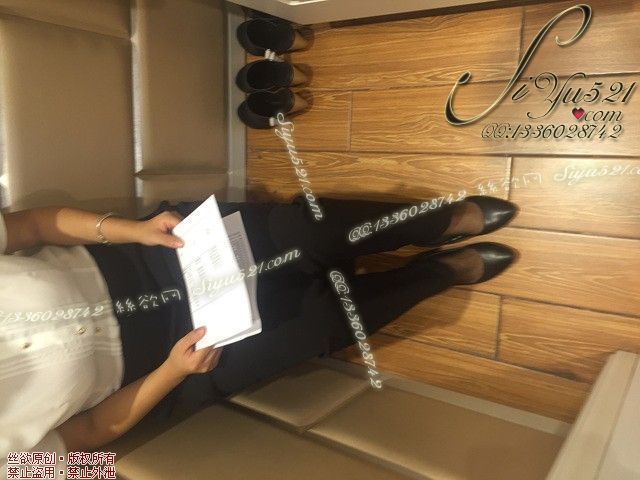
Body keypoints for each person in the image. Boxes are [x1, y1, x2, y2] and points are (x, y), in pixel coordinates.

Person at [0, 194, 517, 466]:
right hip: (164, 363)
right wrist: (173, 372)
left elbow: (30, 226)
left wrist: (134, 229)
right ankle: (437, 274)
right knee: (323, 324)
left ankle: (440, 221)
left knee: (309, 232)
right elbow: (92, 436)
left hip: (144, 256)